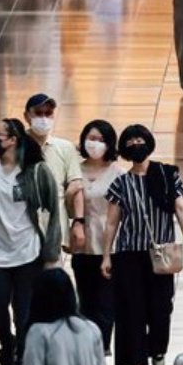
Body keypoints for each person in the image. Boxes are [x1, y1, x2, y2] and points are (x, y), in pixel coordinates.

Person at [0, 118, 62, 365]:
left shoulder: (37, 171)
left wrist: (51, 248)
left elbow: (53, 210)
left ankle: (23, 353)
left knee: (24, 311)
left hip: (29, 252)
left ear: (13, 139)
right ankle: (7, 342)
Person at [101, 124, 183, 365]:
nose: (136, 144)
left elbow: (180, 207)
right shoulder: (121, 183)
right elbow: (111, 222)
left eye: (140, 139)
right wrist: (107, 255)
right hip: (129, 253)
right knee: (132, 308)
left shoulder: (166, 175)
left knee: (162, 306)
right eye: (130, 142)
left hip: (161, 252)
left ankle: (158, 348)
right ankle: (137, 362)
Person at [74, 119, 121, 347]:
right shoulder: (74, 170)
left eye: (101, 140)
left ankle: (101, 349)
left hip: (108, 247)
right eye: (91, 138)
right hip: (81, 245)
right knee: (85, 300)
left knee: (106, 302)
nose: (95, 144)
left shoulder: (117, 174)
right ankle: (85, 348)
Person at [23, 94, 84, 248]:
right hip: (21, 229)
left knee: (53, 269)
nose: (44, 118)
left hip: (54, 229)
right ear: (26, 116)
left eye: (48, 113)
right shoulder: (16, 147)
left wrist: (78, 221)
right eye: (38, 113)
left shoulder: (64, 148)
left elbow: (76, 184)